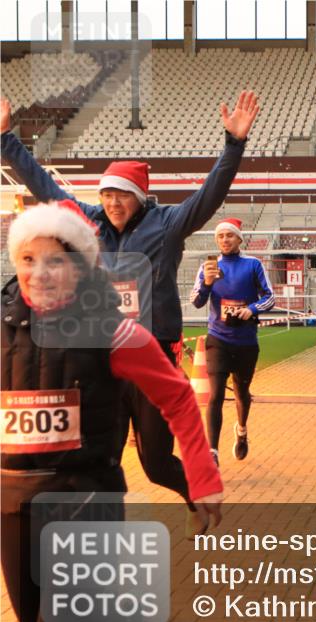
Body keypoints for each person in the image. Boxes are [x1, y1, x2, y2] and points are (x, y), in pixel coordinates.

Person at [0, 92, 257, 534]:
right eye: (106, 194)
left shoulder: (169, 224)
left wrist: (232, 145)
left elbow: (209, 196)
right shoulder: (89, 222)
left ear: (139, 197)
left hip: (151, 350)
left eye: (122, 195)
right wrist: (6, 138)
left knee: (156, 463)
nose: (113, 203)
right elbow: (43, 186)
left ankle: (194, 493)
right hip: (101, 356)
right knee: (104, 456)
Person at [2, 202, 223, 622]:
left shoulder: (117, 334)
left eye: (55, 261)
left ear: (81, 267)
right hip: (12, 498)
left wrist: (201, 479)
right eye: (27, 259)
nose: (39, 273)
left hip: (84, 497)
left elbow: (179, 397)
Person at [190, 218, 274, 464]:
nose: (225, 240)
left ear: (239, 238)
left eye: (229, 235)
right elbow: (196, 301)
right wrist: (206, 283)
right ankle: (212, 452)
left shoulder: (252, 264)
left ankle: (241, 430)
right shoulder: (209, 266)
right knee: (215, 394)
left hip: (246, 340)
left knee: (241, 391)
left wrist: (252, 309)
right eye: (220, 236)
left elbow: (269, 297)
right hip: (218, 339)